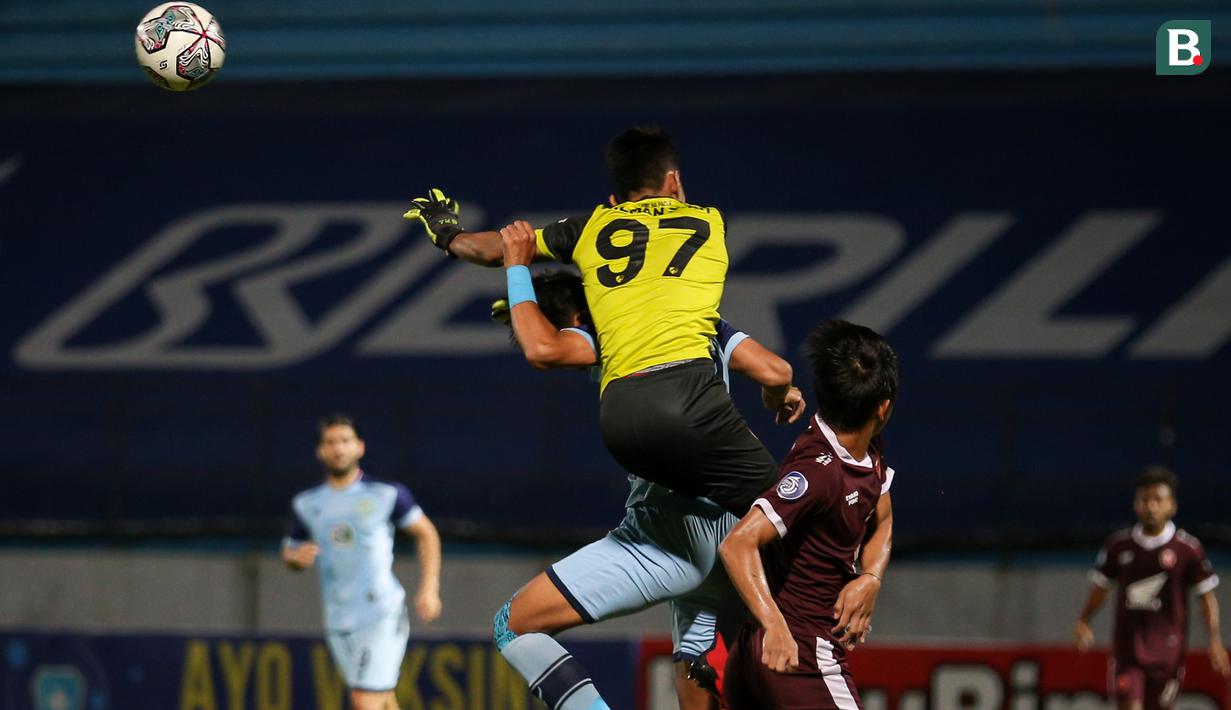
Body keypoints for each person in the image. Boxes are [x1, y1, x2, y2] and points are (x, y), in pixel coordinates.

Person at [489, 222, 806, 710]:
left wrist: (517, 277)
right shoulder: (700, 323)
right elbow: (776, 370)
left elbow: (544, 348)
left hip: (673, 532)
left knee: (513, 624)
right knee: (698, 666)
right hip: (742, 528)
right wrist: (779, 394)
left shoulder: (611, 338)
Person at [403, 125, 779, 517]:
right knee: (790, 517)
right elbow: (774, 370)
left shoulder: (591, 227)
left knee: (709, 526)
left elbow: (494, 249)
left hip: (619, 416)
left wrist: (448, 233)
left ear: (615, 200)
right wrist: (777, 390)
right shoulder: (710, 221)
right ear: (674, 180)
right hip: (689, 394)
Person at [719, 320, 898, 710]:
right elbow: (737, 543)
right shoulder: (819, 472)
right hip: (798, 654)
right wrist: (775, 624)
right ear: (883, 407)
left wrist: (870, 577)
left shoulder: (867, 447)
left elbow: (881, 519)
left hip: (768, 653)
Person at [282, 414, 443, 710]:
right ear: (320, 451)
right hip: (337, 617)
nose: (338, 449)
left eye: (345, 441)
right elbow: (290, 551)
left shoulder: (385, 494)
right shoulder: (308, 503)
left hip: (380, 612)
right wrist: (297, 558)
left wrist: (429, 588)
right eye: (331, 442)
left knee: (364, 701)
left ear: (360, 447)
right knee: (381, 702)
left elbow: (426, 534)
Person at [1072, 466, 1228, 710]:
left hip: (1168, 655)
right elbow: (1101, 587)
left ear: (1171, 506)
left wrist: (1215, 641)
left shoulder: (1187, 549)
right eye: (1145, 500)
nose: (1151, 506)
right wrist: (1084, 619)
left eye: (1158, 499)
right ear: (1136, 505)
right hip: (1128, 653)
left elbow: (1206, 597)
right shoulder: (1119, 546)